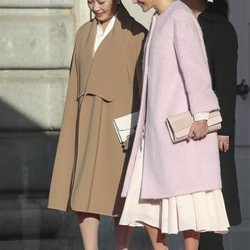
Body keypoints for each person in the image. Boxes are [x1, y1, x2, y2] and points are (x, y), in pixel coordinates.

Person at [120, 0, 230, 249]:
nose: (135, 0)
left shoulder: (179, 16)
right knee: (146, 197)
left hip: (180, 132)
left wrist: (202, 115)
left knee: (189, 199)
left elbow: (196, 69)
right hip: (157, 131)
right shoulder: (159, 19)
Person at [47, 0, 147, 249]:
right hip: (86, 125)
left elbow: (144, 89)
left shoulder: (136, 34)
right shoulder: (83, 34)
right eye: (90, 1)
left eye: (101, 1)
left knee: (119, 198)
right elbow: (74, 87)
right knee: (83, 194)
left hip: (121, 128)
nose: (95, 7)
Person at [181, 0, 241, 249]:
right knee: (186, 214)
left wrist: (223, 130)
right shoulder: (174, 22)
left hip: (211, 132)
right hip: (181, 130)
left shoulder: (220, 29)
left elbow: (225, 85)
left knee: (210, 215)